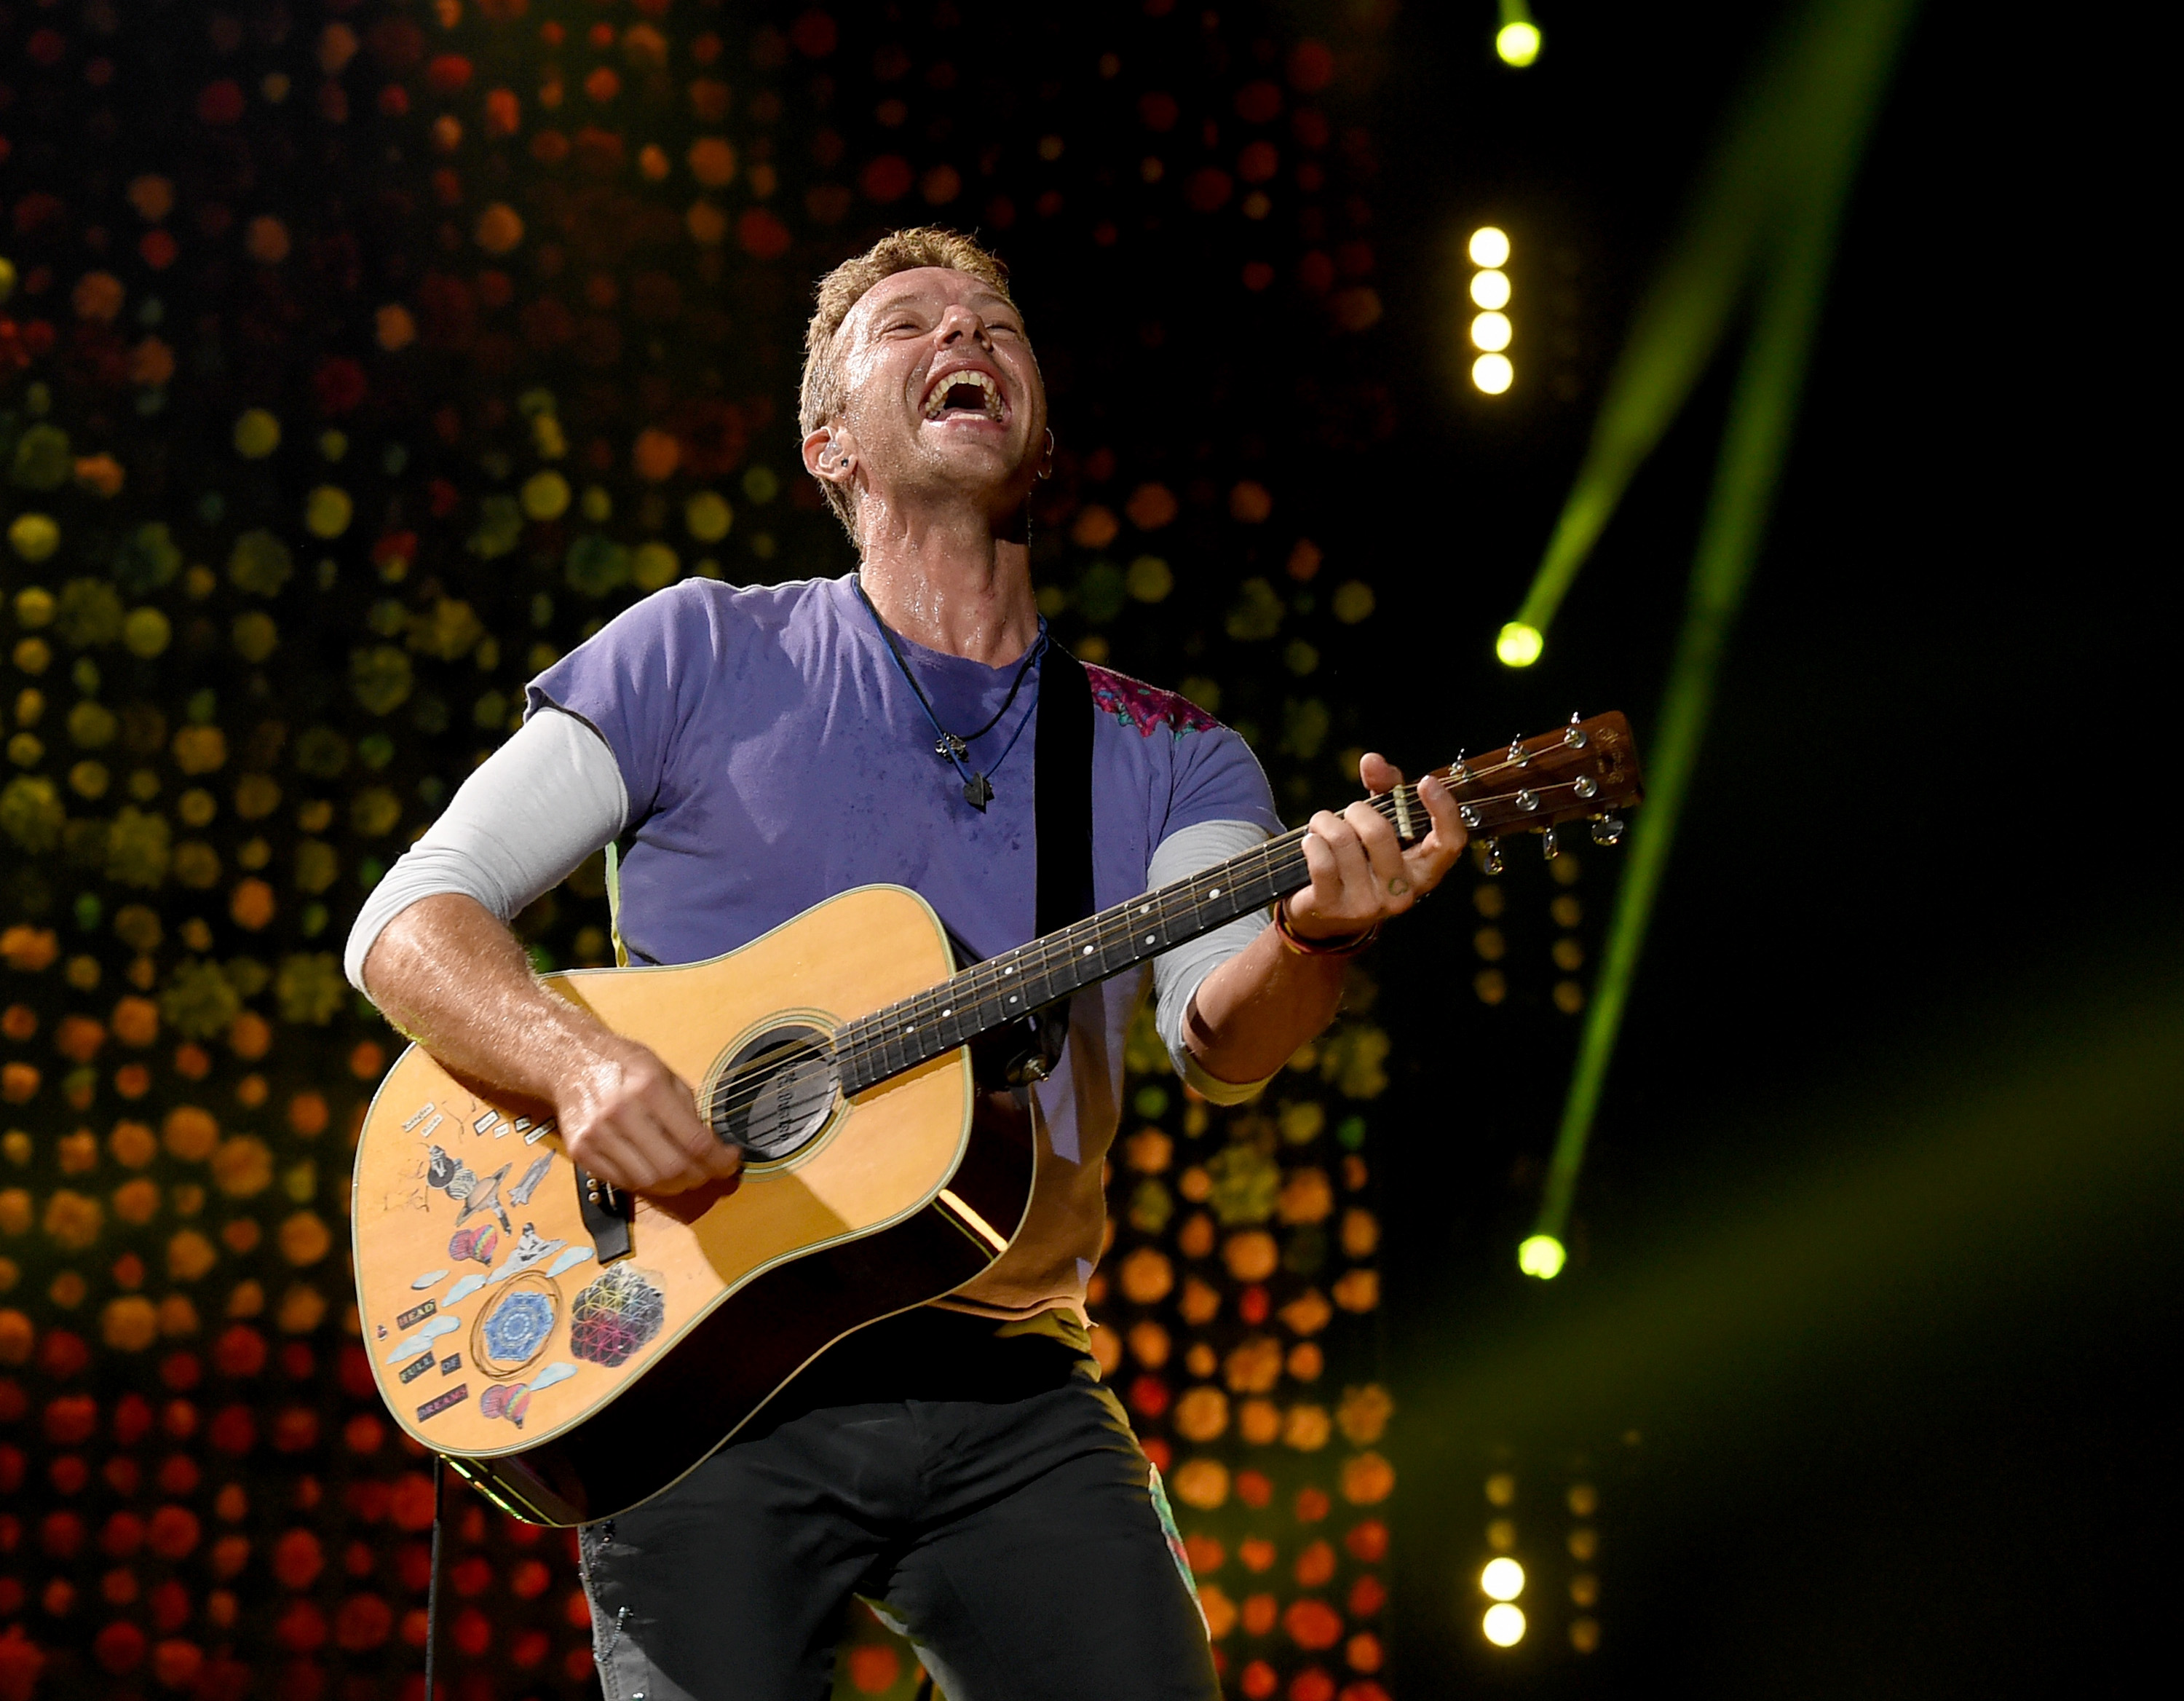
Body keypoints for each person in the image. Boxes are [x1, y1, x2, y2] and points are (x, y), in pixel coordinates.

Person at [348, 228, 1465, 1701]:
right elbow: (409, 918)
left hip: (1014, 1381)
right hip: (704, 1373)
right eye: (910, 324)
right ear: (832, 446)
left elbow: (1223, 1044)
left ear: (1042, 436)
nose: (967, 338)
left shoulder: (1170, 751)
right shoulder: (695, 652)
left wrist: (1321, 932)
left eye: (997, 323)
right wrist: (579, 1068)